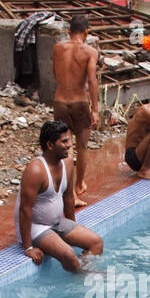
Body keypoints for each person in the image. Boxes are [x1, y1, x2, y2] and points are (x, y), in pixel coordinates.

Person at [17, 120, 103, 273]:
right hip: (37, 227)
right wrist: (28, 247)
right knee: (68, 254)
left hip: (57, 222)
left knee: (96, 243)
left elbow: (69, 197)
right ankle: (83, 277)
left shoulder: (68, 163)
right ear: (50, 145)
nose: (70, 145)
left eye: (69, 140)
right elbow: (24, 210)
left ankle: (84, 270)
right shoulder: (36, 171)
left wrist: (72, 229)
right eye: (64, 141)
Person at [50, 13, 100, 206]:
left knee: (65, 148)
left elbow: (56, 74)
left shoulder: (57, 48)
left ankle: (70, 193)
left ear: (69, 31)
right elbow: (92, 80)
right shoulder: (89, 52)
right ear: (86, 32)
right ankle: (79, 184)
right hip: (80, 102)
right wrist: (95, 109)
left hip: (60, 101)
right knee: (82, 146)